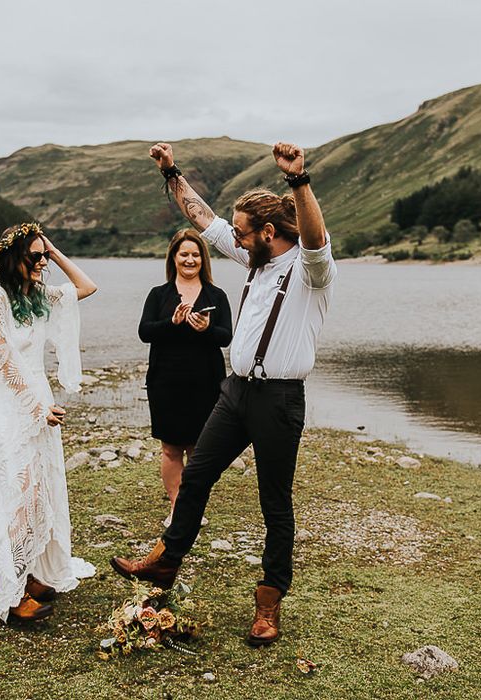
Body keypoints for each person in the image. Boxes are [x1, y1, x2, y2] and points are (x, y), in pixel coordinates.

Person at [111, 142, 337, 646]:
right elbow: (205, 217)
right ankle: (167, 561)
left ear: (269, 233)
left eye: (242, 231)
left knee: (274, 503)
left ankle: (269, 601)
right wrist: (171, 173)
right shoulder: (254, 258)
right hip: (234, 393)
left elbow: (317, 239)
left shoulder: (311, 271)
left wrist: (298, 182)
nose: (232, 238)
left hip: (280, 400)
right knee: (196, 477)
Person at [0, 222, 97, 623]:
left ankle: (34, 573)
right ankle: (12, 592)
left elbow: (87, 287)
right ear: (13, 259)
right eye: (34, 256)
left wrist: (55, 253)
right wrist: (36, 408)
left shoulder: (38, 295)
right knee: (14, 495)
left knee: (40, 489)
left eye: (44, 256)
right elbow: (2, 361)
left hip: (38, 400)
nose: (42, 262)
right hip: (8, 407)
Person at [138, 229, 232, 526]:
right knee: (171, 447)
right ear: (174, 258)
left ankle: (193, 509)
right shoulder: (159, 294)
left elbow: (227, 337)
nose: (190, 260)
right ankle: (178, 510)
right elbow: (145, 332)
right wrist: (173, 322)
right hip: (166, 382)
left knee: (200, 450)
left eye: (195, 255)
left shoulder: (217, 296)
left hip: (206, 383)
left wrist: (206, 329)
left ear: (203, 260)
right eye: (184, 254)